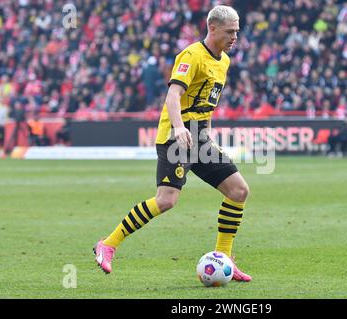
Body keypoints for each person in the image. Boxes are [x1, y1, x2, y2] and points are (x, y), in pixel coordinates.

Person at [94, 5, 252, 282]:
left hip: (200, 138)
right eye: (230, 31)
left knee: (238, 191)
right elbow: (173, 95)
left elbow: (207, 106)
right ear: (212, 28)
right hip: (176, 136)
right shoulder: (191, 56)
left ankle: (224, 257)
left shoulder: (224, 61)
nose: (235, 37)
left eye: (237, 31)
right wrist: (179, 128)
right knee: (166, 200)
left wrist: (208, 135)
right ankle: (108, 244)